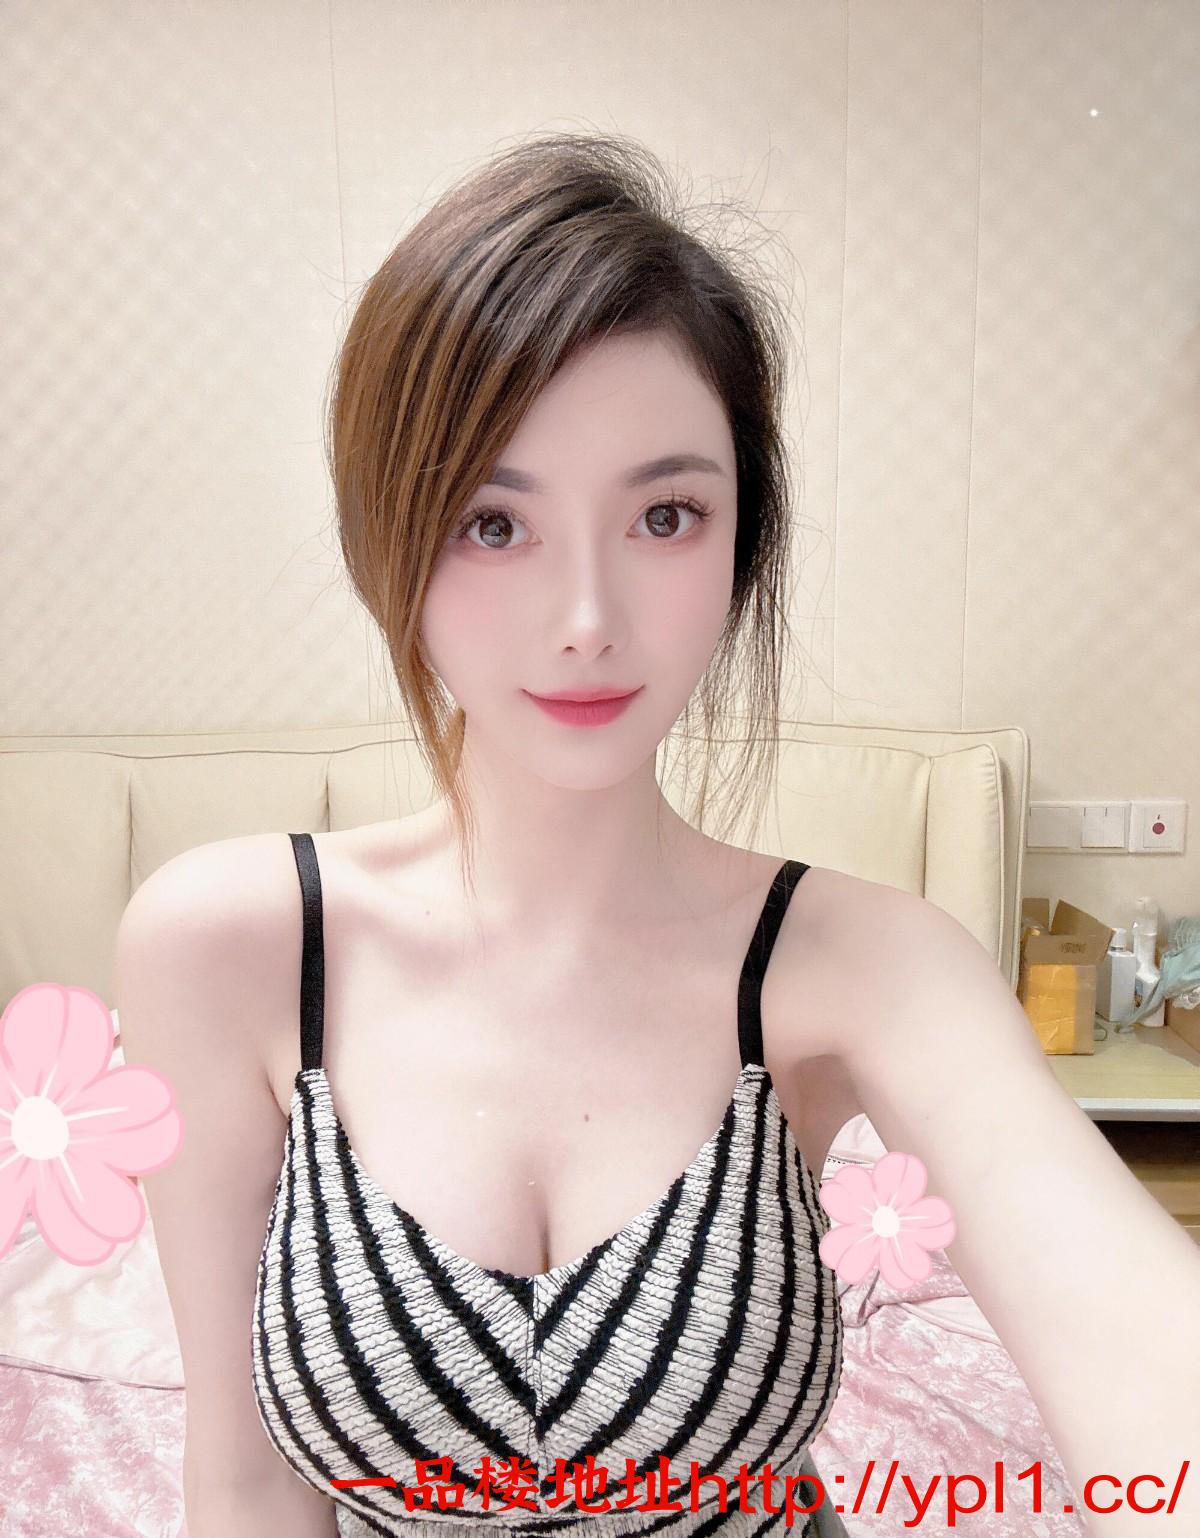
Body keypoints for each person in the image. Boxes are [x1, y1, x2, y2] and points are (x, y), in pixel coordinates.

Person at [116, 131, 1200, 1538]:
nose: (587, 618)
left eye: (666, 515)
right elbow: (247, 1477)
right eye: (492, 523)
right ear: (390, 538)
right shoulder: (230, 948)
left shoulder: (867, 966)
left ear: (743, 542)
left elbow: (1128, 1329)